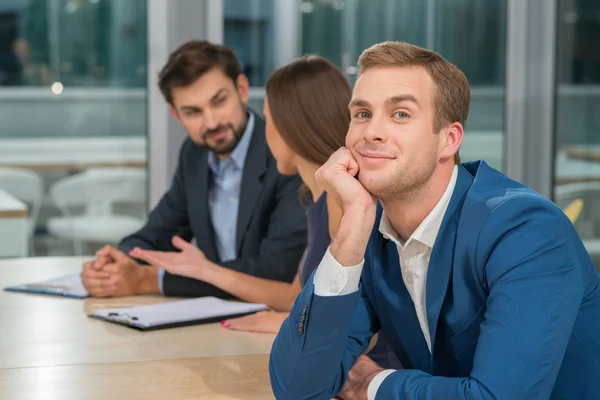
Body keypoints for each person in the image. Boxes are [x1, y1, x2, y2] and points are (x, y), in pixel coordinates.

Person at [269, 41, 600, 400]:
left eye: (400, 114)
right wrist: (349, 232)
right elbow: (298, 387)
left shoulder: (526, 230)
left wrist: (376, 385)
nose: (370, 132)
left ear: (449, 140)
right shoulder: (369, 227)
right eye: (362, 114)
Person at [129, 55, 349, 332]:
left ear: (292, 127)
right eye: (193, 111)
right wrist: (205, 270)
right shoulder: (318, 201)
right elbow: (296, 296)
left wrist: (287, 323)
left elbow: (352, 318)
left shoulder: (340, 203)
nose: (210, 122)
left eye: (268, 118)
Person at [80, 40, 307, 298]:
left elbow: (276, 271)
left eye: (219, 102)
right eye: (193, 112)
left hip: (276, 320)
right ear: (176, 115)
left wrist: (148, 280)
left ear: (241, 90)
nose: (211, 122)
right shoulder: (194, 154)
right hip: (213, 319)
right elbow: (157, 234)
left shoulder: (284, 154)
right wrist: (116, 265)